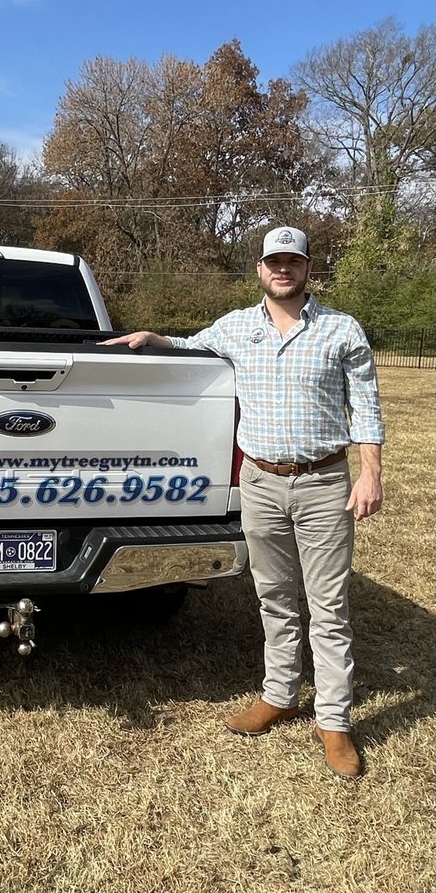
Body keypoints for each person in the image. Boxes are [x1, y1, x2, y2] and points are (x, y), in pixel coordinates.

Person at [102, 226, 384, 779]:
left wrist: (371, 473)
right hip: (258, 481)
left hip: (323, 482)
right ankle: (279, 695)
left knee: (328, 607)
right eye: (274, 261)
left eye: (293, 261)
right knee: (273, 596)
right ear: (259, 269)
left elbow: (367, 407)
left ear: (308, 268)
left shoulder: (341, 329)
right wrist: (151, 337)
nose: (283, 269)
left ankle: (334, 722)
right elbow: (189, 344)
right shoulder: (235, 327)